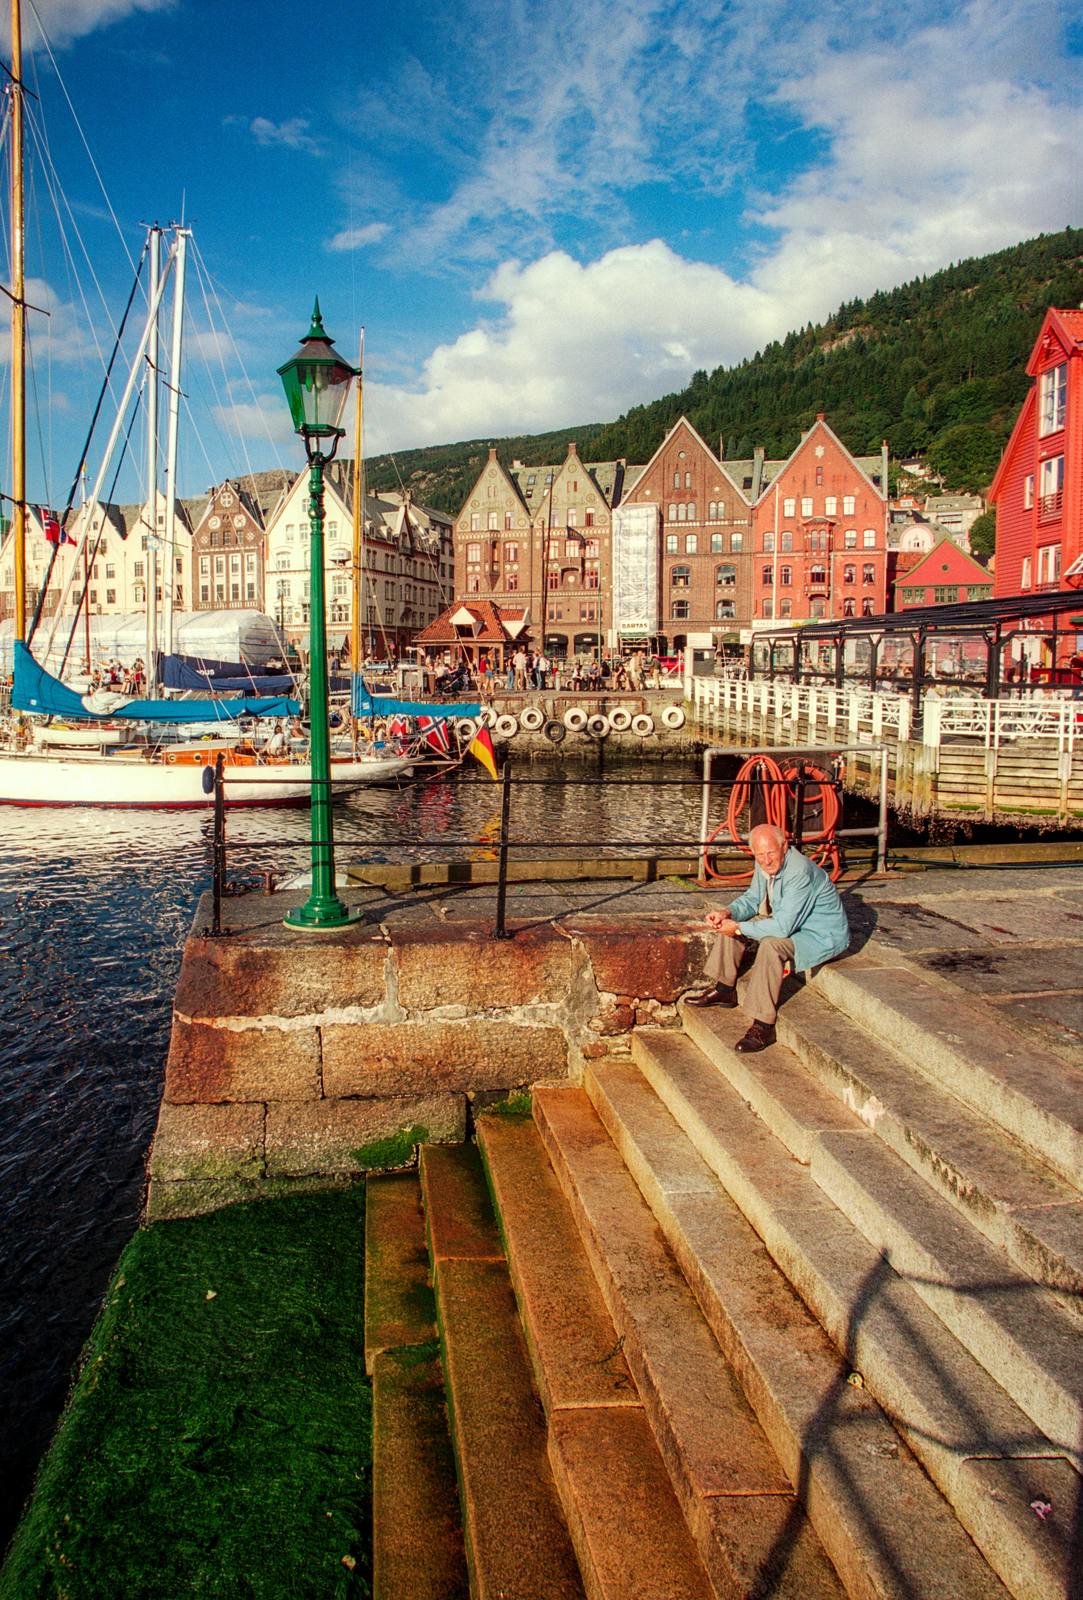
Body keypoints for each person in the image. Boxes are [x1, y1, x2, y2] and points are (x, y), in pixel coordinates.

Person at [685, 823, 850, 1053]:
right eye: (760, 854)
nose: (766, 860)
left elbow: (782, 928)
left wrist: (739, 928)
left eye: (771, 853)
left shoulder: (799, 871)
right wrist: (727, 913)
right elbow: (753, 898)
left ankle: (763, 1025)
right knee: (732, 925)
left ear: (784, 846)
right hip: (793, 923)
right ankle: (724, 989)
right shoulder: (763, 863)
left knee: (771, 945)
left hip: (821, 935)